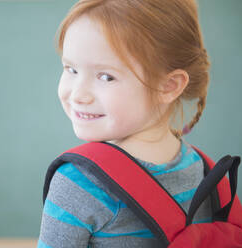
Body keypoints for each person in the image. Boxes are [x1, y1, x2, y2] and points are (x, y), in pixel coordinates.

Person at [38, 0, 212, 247]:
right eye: (71, 69)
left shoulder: (79, 183)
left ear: (169, 86)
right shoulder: (206, 173)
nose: (78, 94)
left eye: (106, 76)